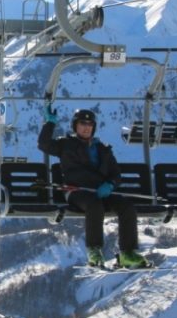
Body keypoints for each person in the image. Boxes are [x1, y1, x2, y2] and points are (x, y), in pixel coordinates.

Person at [37, 105, 149, 268]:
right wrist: (49, 124)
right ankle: (94, 250)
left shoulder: (103, 149)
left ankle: (128, 252)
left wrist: (110, 185)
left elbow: (116, 174)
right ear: (75, 126)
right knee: (94, 205)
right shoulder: (65, 145)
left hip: (101, 191)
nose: (86, 128)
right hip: (76, 191)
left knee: (126, 206)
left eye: (89, 125)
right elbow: (44, 144)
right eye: (82, 124)